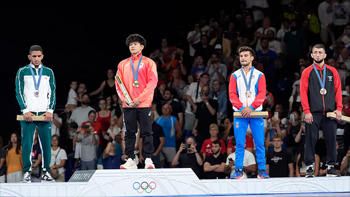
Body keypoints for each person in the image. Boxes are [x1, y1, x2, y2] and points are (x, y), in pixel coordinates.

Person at [116, 34, 158, 169]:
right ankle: (130, 159)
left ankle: (148, 159)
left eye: (135, 44)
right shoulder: (123, 64)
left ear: (142, 46)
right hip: (128, 104)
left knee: (147, 132)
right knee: (129, 132)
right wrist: (124, 99)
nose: (132, 46)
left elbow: (153, 82)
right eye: (130, 44)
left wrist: (138, 99)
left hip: (143, 103)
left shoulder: (149, 62)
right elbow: (118, 83)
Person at [300, 44, 343, 178]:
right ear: (312, 55)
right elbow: (303, 92)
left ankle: (331, 167)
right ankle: (310, 167)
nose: (318, 55)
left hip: (330, 112)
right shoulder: (307, 72)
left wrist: (339, 108)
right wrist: (306, 111)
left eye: (320, 52)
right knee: (310, 139)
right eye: (315, 52)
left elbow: (338, 91)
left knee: (331, 139)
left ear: (325, 55)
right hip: (313, 112)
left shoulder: (332, 71)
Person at [15, 45, 56, 183]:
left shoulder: (49, 72)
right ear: (29, 57)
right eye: (34, 56)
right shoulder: (22, 71)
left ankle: (46, 172)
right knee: (27, 143)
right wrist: (25, 110)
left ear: (42, 56)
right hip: (28, 114)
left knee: (46, 143)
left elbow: (53, 92)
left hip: (45, 114)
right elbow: (19, 92)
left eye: (39, 56)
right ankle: (26, 172)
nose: (37, 59)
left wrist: (50, 110)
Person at [229, 46, 269, 179]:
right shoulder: (235, 75)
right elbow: (232, 95)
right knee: (240, 143)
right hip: (240, 114)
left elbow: (262, 94)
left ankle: (262, 170)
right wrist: (242, 109)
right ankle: (238, 170)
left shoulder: (259, 75)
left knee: (259, 142)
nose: (243, 58)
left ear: (252, 58)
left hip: (255, 113)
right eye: (241, 56)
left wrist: (250, 108)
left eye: (246, 56)